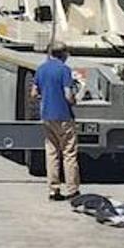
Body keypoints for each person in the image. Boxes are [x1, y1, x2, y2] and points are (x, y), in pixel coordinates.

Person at [31, 42, 80, 201]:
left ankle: (53, 190)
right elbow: (67, 94)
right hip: (64, 116)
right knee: (69, 153)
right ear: (64, 54)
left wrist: (44, 96)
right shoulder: (64, 70)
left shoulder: (41, 69)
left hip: (47, 116)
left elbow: (33, 93)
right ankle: (72, 189)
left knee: (51, 153)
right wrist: (74, 100)